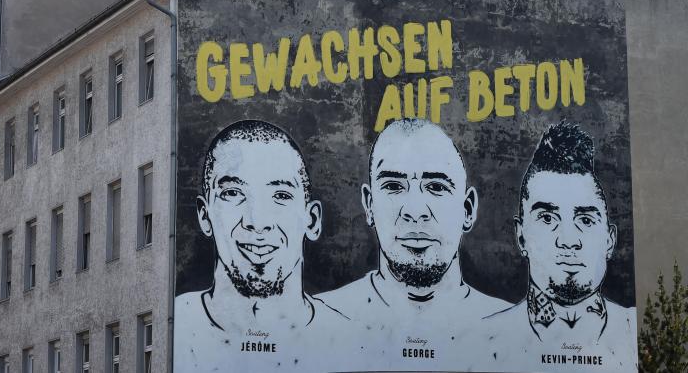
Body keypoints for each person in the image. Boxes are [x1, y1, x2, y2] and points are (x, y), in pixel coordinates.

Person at [173, 120, 350, 373]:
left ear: (311, 220)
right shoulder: (173, 328)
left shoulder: (349, 341)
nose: (257, 222)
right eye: (233, 193)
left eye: (281, 196)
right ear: (204, 215)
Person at [482, 121, 636, 371]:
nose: (568, 240)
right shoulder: (479, 340)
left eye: (585, 220)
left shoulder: (635, 330)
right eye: (547, 218)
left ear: (609, 240)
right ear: (521, 237)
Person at [321, 119, 506, 324]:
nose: (415, 211)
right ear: (369, 205)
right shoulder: (328, 318)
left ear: (467, 209)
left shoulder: (509, 326)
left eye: (436, 187)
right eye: (393, 186)